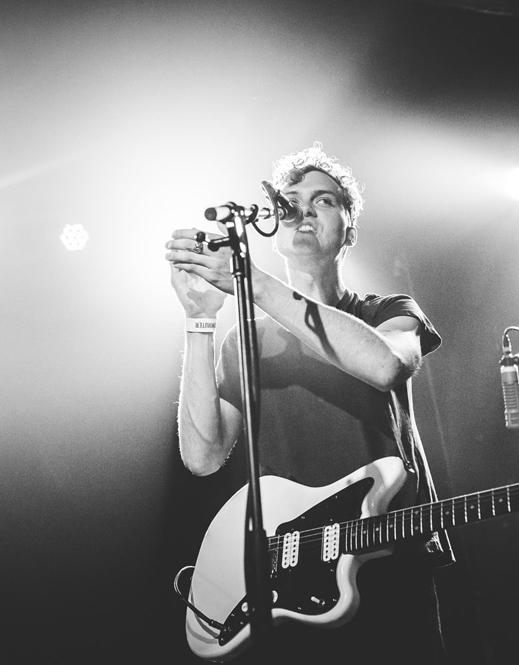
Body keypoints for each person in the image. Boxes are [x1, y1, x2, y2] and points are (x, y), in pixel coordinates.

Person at [165, 143, 452, 663]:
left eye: (323, 200)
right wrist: (199, 319)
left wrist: (250, 282)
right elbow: (203, 456)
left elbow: (386, 365)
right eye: (290, 199)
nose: (302, 209)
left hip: (387, 554)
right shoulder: (246, 340)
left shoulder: (388, 310)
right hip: (291, 576)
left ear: (348, 227)